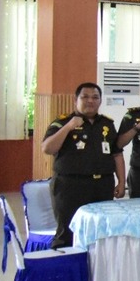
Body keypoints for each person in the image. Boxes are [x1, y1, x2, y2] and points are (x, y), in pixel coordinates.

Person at [42, 82, 126, 248]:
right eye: (85, 97)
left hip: (102, 185)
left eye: (95, 97)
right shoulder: (62, 122)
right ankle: (67, 270)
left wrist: (122, 182)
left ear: (100, 101)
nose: (90, 101)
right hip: (70, 186)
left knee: (101, 231)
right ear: (76, 100)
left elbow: (116, 154)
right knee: (67, 233)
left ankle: (95, 269)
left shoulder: (107, 124)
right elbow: (47, 148)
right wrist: (68, 127)